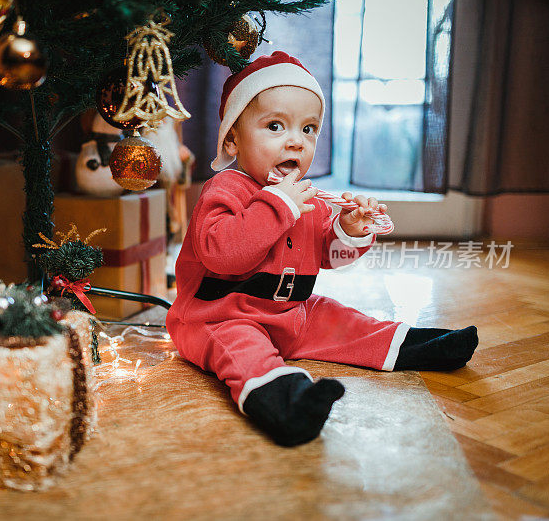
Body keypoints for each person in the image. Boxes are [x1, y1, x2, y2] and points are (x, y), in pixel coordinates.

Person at [166, 52, 478, 447]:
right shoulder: (226, 190)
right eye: (275, 126)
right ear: (233, 138)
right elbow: (222, 253)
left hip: (286, 314)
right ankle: (288, 402)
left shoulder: (305, 199)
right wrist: (278, 205)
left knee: (338, 318)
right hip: (218, 317)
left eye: (309, 129)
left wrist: (349, 231)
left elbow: (330, 258)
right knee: (242, 350)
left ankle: (417, 345)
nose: (296, 140)